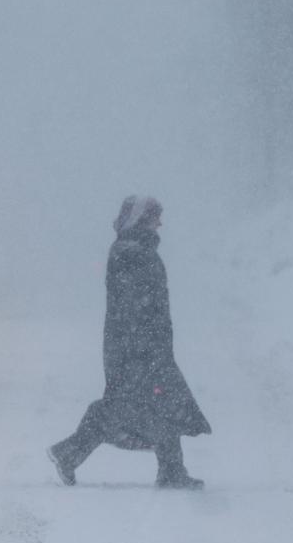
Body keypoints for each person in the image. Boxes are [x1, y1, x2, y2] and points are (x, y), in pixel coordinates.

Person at [48, 195, 211, 489]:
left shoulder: (135, 249)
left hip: (142, 344)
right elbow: (134, 306)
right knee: (149, 403)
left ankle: (72, 454)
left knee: (149, 402)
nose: (160, 224)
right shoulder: (132, 252)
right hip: (137, 347)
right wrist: (145, 343)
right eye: (154, 218)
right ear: (140, 220)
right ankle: (71, 453)